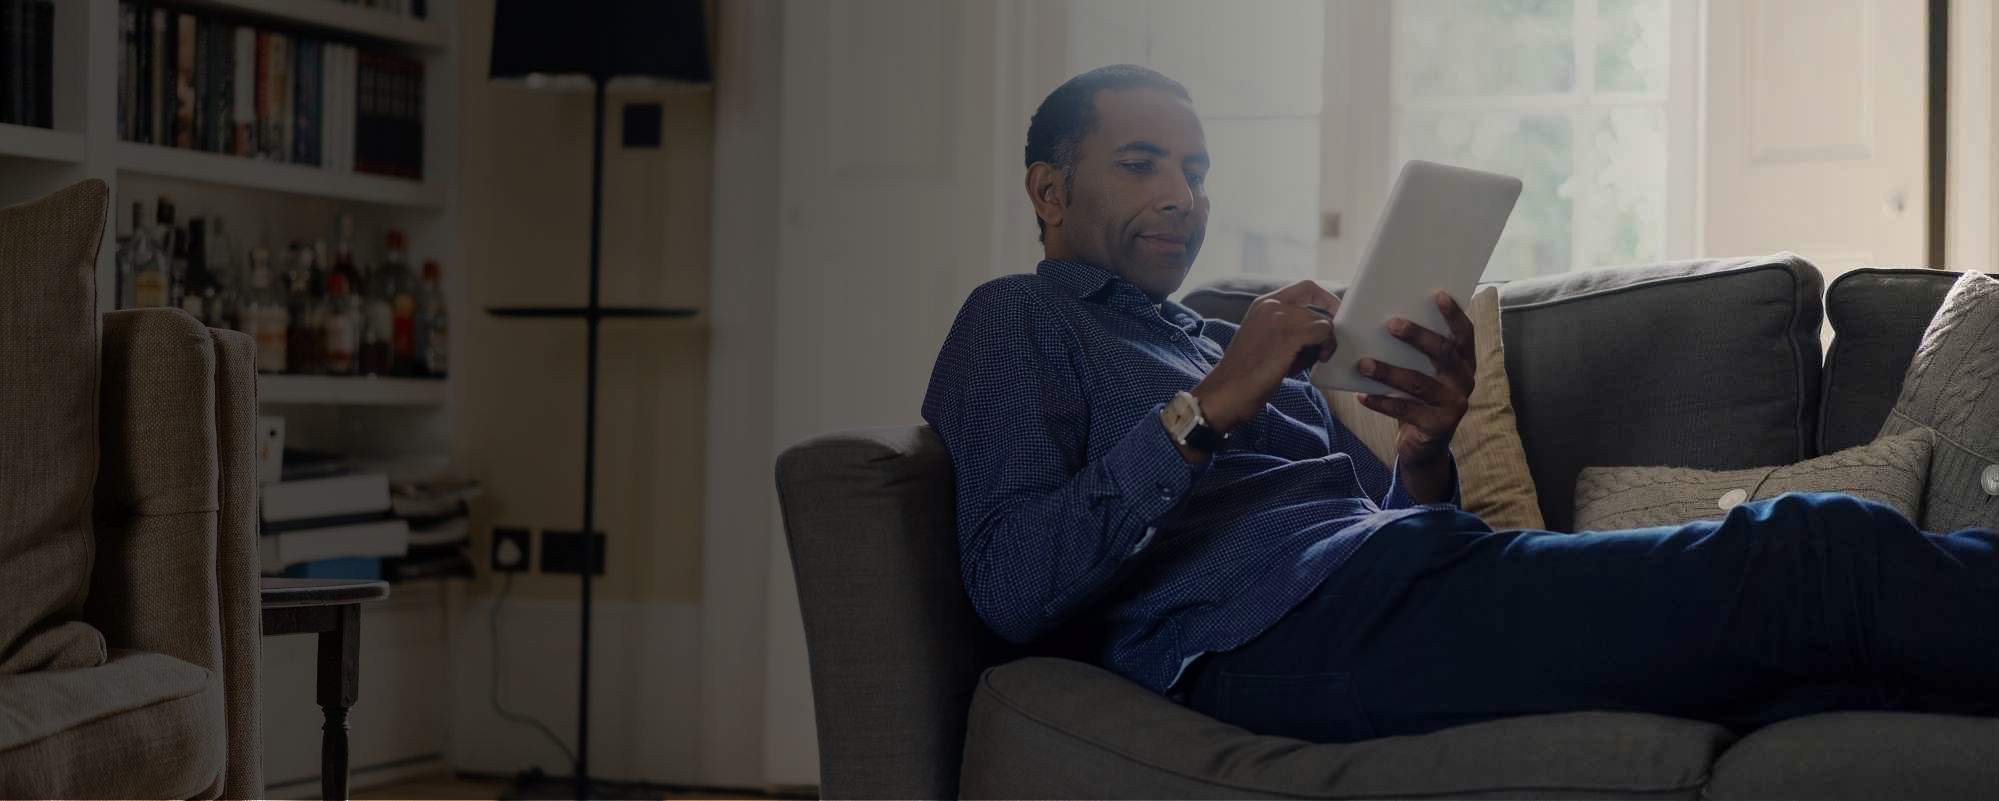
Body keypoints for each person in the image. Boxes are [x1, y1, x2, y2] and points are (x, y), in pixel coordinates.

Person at [919, 64, 1999, 744]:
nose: (1181, 196)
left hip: (1390, 582)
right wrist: (1204, 409)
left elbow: (1362, 522)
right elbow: (1013, 585)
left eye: (1195, 168)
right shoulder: (1015, 322)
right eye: (1142, 164)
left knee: (1822, 666)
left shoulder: (1214, 340)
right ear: (1049, 191)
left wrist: (1425, 451)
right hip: (1266, 642)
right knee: (1817, 555)